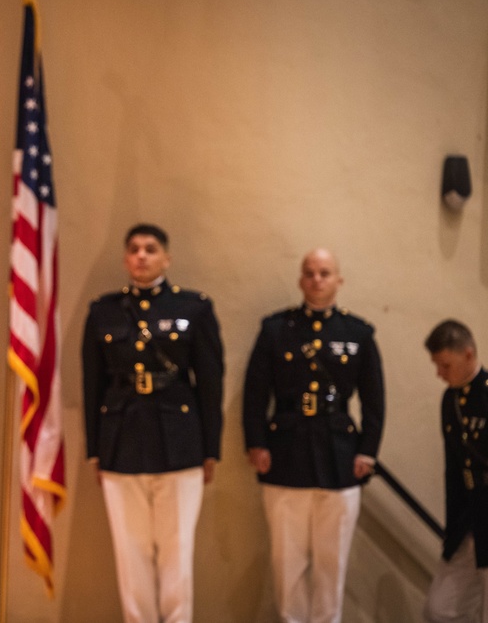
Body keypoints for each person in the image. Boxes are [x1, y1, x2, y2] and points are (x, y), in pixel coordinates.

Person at [81, 223, 224, 623]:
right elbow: (93, 385)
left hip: (181, 443)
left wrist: (211, 449)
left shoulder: (194, 308)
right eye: (134, 249)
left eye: (151, 248)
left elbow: (210, 383)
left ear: (166, 258)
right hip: (120, 442)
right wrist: (95, 450)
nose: (142, 255)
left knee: (177, 553)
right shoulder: (103, 311)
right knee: (131, 554)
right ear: (126, 258)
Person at [242, 248, 385, 623]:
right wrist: (256, 442)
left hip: (340, 457)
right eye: (309, 273)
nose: (317, 280)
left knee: (331, 565)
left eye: (325, 273)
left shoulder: (358, 333)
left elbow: (374, 401)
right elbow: (256, 392)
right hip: (285, 453)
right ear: (300, 280)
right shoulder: (276, 329)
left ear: (339, 280)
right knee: (287, 564)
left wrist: (367, 452)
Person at [422, 320, 488, 622]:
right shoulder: (450, 400)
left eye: (445, 365)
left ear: (468, 355)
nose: (440, 374)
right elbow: (453, 469)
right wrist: (452, 528)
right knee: (440, 607)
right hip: (467, 519)